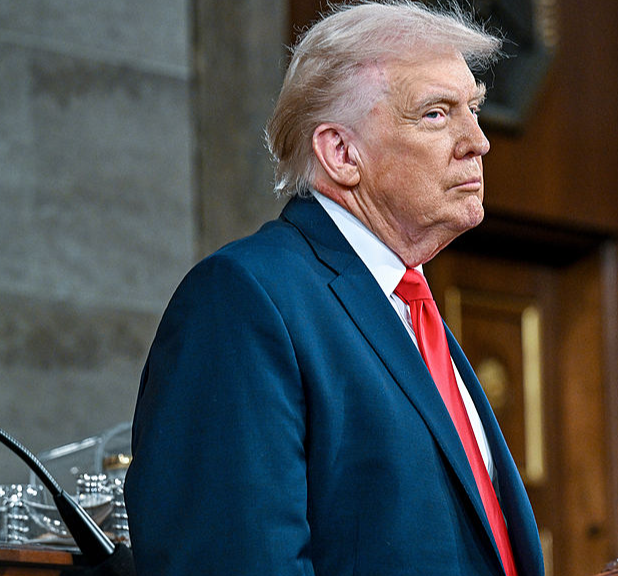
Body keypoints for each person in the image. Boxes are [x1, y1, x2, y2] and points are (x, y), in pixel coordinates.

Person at [123, 1, 544, 575]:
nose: (479, 141)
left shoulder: (408, 311)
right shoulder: (245, 299)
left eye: (472, 107)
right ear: (342, 153)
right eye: (437, 114)